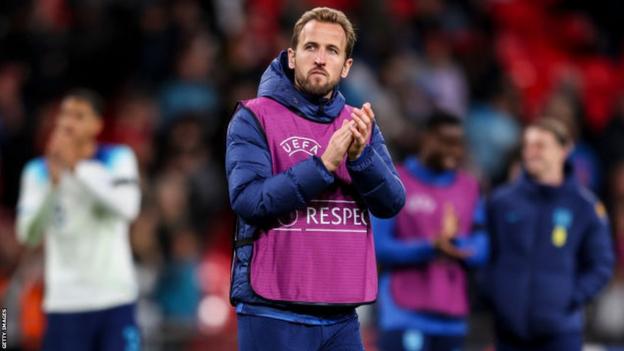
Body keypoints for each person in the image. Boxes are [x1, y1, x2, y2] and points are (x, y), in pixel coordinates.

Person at [225, 7, 406, 351]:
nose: (320, 59)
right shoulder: (254, 116)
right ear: (292, 57)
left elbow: (392, 202)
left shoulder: (358, 123)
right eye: (311, 47)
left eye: (332, 50)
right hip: (273, 311)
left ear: (346, 66)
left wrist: (360, 158)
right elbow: (249, 200)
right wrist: (322, 166)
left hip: (341, 314)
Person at [16, 89, 142, 351]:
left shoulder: (118, 158)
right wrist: (53, 186)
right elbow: (28, 235)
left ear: (97, 124)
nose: (68, 122)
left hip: (115, 298)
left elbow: (128, 209)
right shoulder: (36, 171)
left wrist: (76, 169)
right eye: (65, 114)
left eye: (79, 115)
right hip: (65, 302)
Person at [484, 117, 614, 351]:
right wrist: (497, 295)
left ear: (565, 149)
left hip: (561, 333)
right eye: (527, 145)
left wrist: (569, 297)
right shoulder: (501, 201)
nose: (531, 152)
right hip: (508, 332)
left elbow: (602, 264)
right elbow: (485, 254)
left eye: (541, 145)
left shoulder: (585, 206)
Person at [372, 111, 489, 351]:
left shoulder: (469, 187)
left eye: (458, 144)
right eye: (446, 142)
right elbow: (378, 246)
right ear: (426, 139)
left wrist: (457, 245)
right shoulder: (395, 181)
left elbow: (482, 245)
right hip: (403, 314)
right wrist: (431, 246)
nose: (453, 151)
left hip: (452, 319)